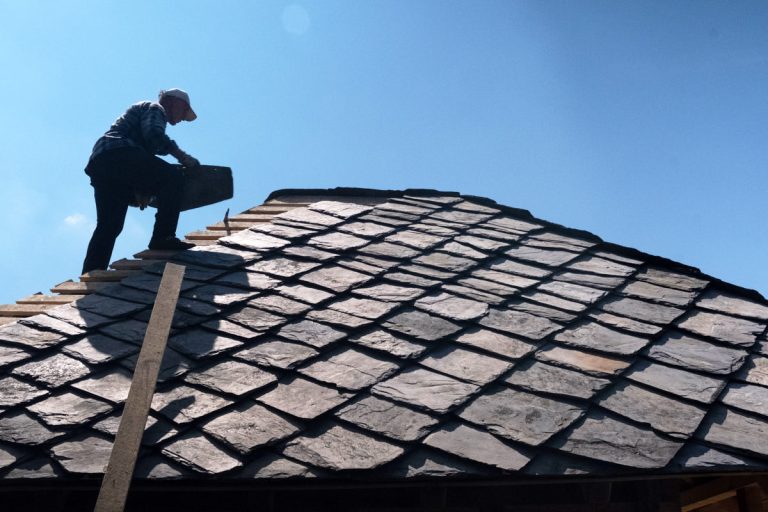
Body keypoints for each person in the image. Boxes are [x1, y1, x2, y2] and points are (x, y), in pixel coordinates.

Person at [81, 88, 200, 274]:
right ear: (172, 102)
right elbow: (153, 134)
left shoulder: (145, 112)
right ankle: (163, 237)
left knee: (109, 226)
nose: (181, 119)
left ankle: (91, 272)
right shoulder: (155, 108)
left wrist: (139, 190)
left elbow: (145, 154)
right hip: (119, 151)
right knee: (173, 178)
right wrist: (182, 156)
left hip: (102, 162)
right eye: (183, 112)